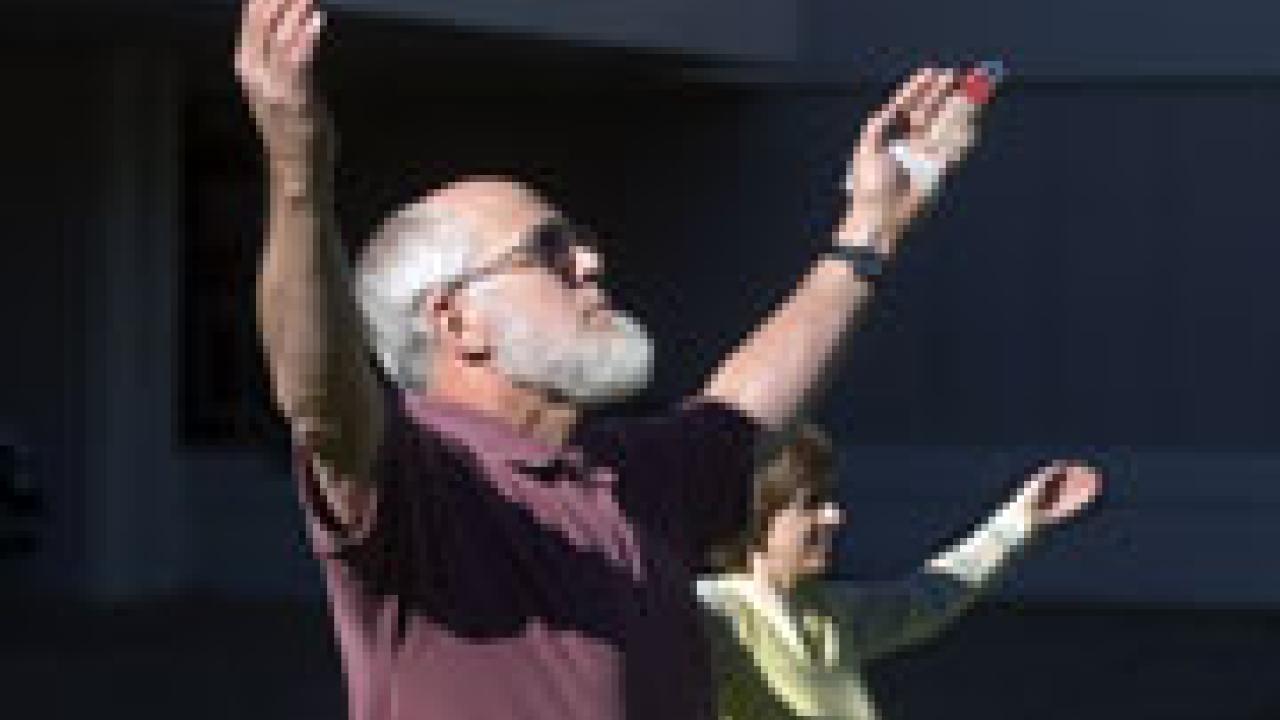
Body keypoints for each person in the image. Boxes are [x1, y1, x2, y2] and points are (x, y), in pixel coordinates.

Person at [233, 0, 991, 716]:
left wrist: (872, 229)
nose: (590, 262)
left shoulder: (624, 469)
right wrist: (299, 173)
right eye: (548, 251)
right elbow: (318, 391)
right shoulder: (420, 480)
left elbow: (744, 408)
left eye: (581, 242)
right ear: (457, 321)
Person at [697, 425, 1103, 720]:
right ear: (756, 519)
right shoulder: (713, 615)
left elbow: (932, 593)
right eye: (812, 504)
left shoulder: (828, 614)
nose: (835, 517)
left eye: (831, 500)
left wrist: (1020, 519)